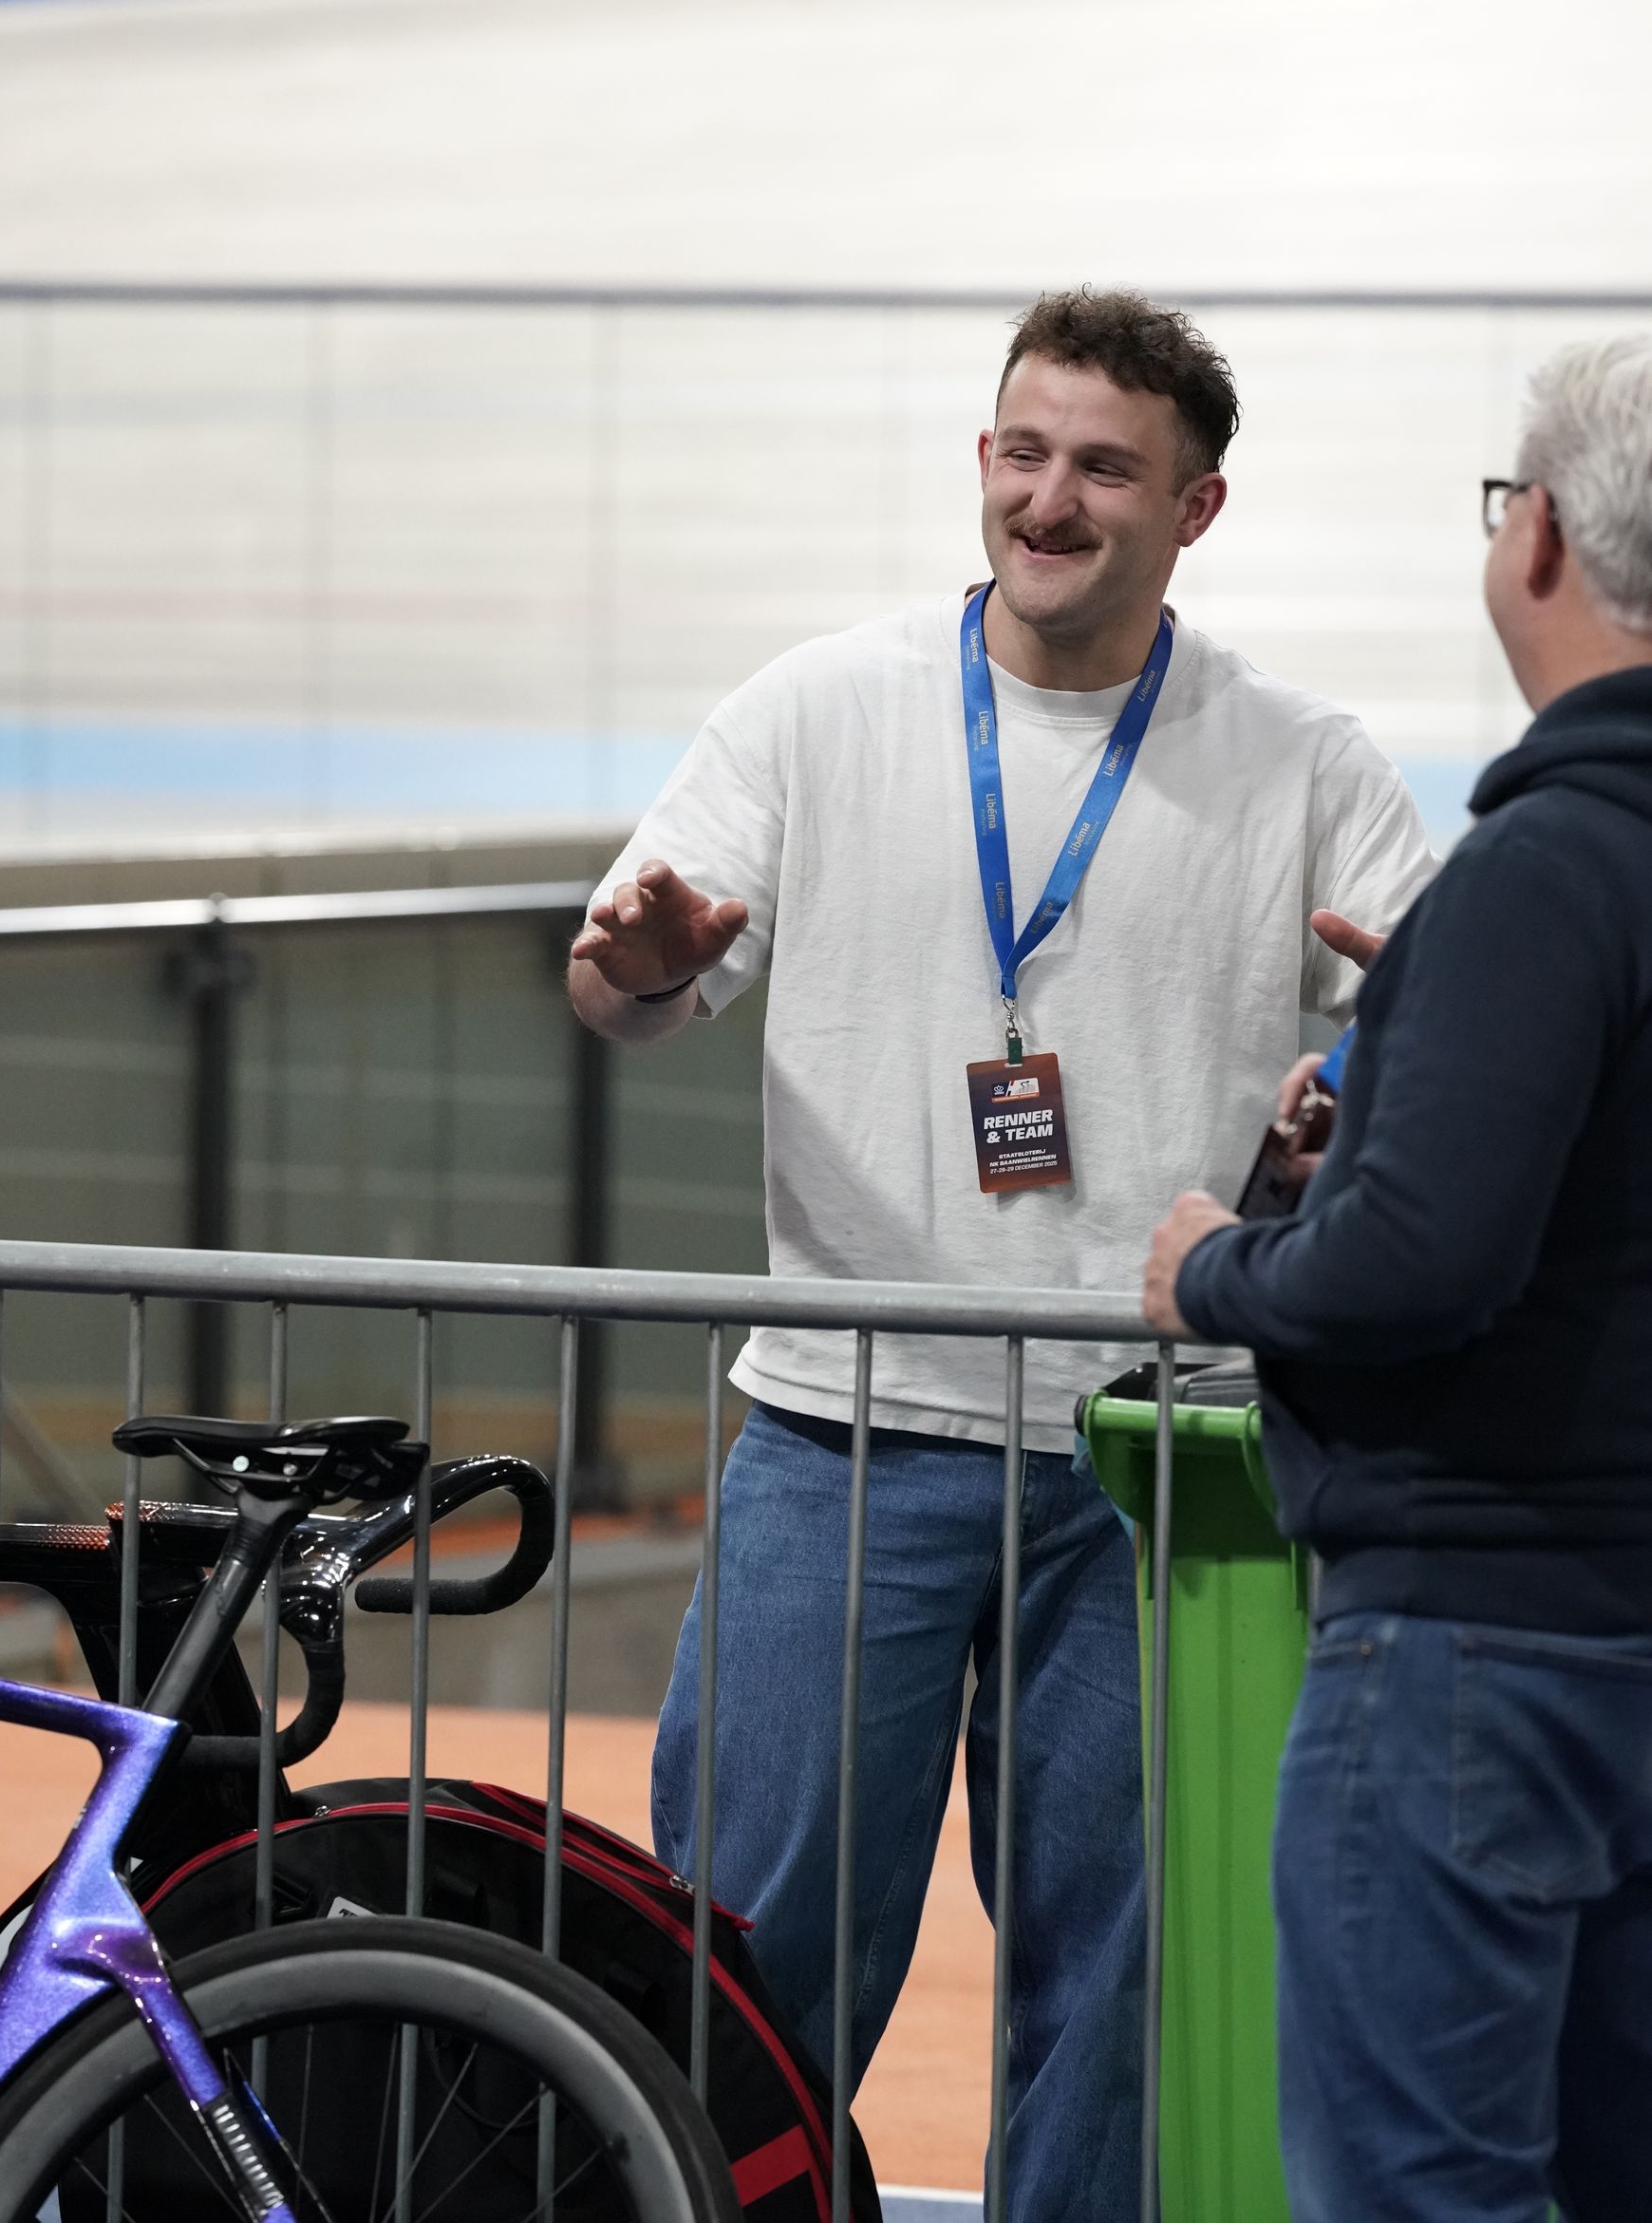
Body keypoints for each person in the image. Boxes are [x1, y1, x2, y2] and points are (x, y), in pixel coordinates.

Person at [569, 288, 1432, 2217]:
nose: (1048, 500)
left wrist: (1357, 1098)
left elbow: (1424, 1030)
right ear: (980, 458)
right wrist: (638, 972)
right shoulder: (813, 709)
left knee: (1115, 1993)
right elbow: (624, 992)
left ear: (1194, 508)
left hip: (1153, 1461)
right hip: (843, 1439)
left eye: (1103, 467)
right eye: (1022, 452)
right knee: (744, 1965)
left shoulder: (1299, 759)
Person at [1145, 336, 1652, 2223]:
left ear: (1539, 539)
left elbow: (1416, 1268)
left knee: (1418, 2191)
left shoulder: (1547, 867)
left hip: (1477, 1651)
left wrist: (1218, 1268)